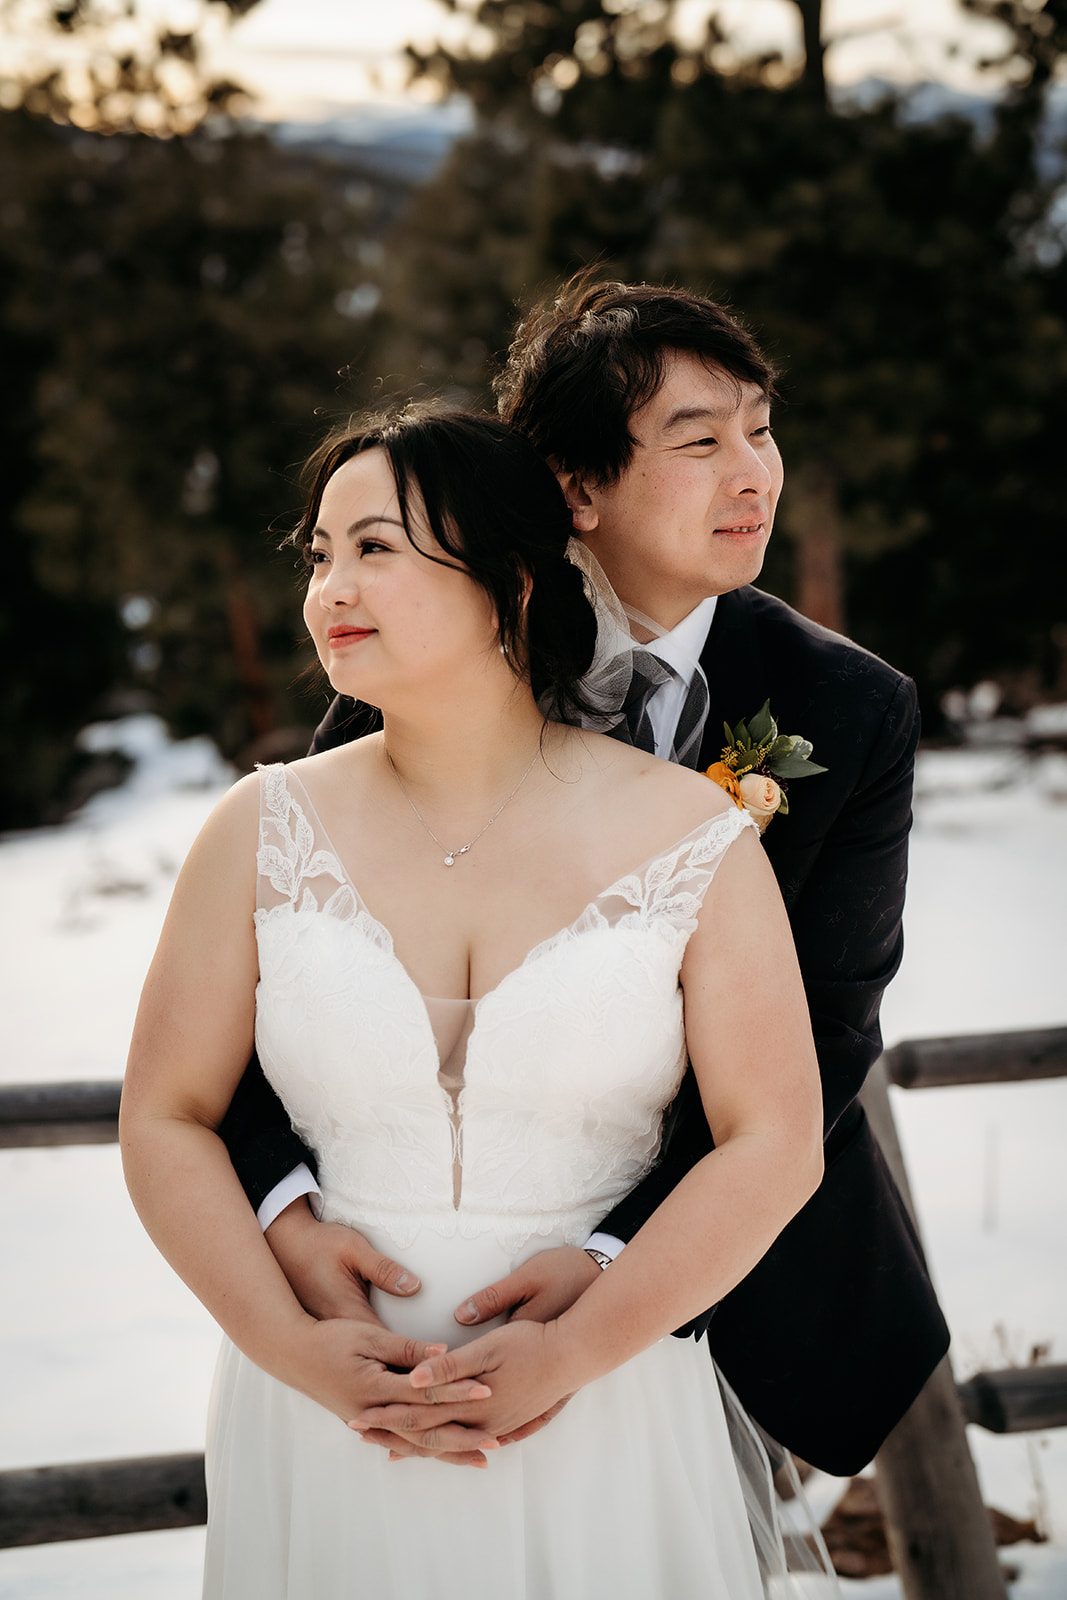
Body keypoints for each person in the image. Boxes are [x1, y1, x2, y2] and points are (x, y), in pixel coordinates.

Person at [219, 277, 950, 1479]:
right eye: (697, 439)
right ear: (575, 487)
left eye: (759, 429)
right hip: (406, 1305)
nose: (752, 473)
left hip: (724, 1288)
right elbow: (298, 950)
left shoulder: (847, 708)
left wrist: (617, 1262)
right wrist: (283, 1214)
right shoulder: (430, 645)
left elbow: (823, 1031)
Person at [120, 407, 831, 1597]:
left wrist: (575, 1352)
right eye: (318, 552)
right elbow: (165, 1116)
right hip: (328, 1421)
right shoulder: (255, 829)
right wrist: (291, 1348)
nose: (329, 588)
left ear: (506, 577)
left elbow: (775, 1140)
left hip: (600, 1406)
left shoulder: (691, 834)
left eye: (376, 547)